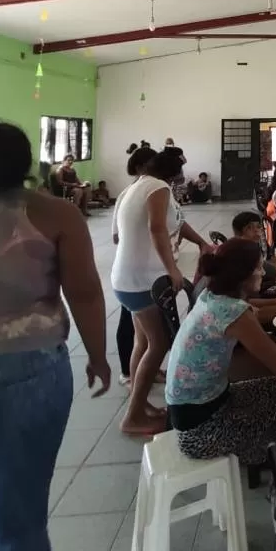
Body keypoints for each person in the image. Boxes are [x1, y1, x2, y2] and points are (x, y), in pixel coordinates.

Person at [0, 121, 109, 551]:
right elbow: (84, 291)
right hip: (30, 372)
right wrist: (97, 354)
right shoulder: (55, 213)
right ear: (26, 162)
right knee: (20, 515)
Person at [111, 149, 210, 435]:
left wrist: (202, 243)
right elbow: (156, 229)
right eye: (181, 169)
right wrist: (172, 269)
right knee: (160, 342)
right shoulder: (158, 187)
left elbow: (175, 223)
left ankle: (139, 404)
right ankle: (133, 417)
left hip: (129, 277)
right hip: (142, 279)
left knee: (143, 343)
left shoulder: (141, 185)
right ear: (172, 171)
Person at [166, 240, 276, 464]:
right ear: (243, 275)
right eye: (258, 267)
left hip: (195, 411)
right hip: (201, 432)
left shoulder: (211, 296)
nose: (262, 272)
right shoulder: (234, 313)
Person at [113, 144, 156, 386]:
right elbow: (117, 236)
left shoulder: (155, 190)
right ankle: (128, 373)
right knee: (130, 322)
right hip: (136, 272)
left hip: (150, 272)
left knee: (149, 331)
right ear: (140, 167)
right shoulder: (130, 194)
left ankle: (149, 370)